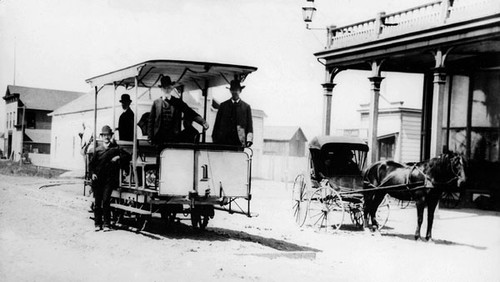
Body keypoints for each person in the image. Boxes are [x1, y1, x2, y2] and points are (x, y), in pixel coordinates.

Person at [148, 75, 209, 146]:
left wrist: (202, 121)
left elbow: (189, 111)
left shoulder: (178, 102)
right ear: (161, 89)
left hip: (173, 137)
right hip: (158, 138)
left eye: (168, 87)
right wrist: (150, 137)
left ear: (171, 88)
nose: (167, 90)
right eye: (165, 88)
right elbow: (151, 121)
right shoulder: (156, 102)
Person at [89, 125, 123, 232]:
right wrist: (93, 173)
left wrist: (118, 157)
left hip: (109, 179)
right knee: (98, 202)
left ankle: (107, 224)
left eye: (108, 135)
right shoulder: (98, 150)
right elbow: (91, 165)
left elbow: (127, 156)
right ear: (102, 137)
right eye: (104, 135)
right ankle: (97, 224)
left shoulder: (115, 149)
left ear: (111, 136)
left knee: (106, 200)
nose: (106, 137)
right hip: (98, 179)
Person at [212, 79, 253, 147]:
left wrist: (249, 140)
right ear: (230, 91)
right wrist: (215, 138)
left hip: (239, 141)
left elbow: (249, 126)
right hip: (224, 141)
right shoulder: (223, 106)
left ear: (240, 91)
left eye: (236, 90)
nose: (235, 92)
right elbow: (217, 124)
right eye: (233, 90)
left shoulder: (246, 107)